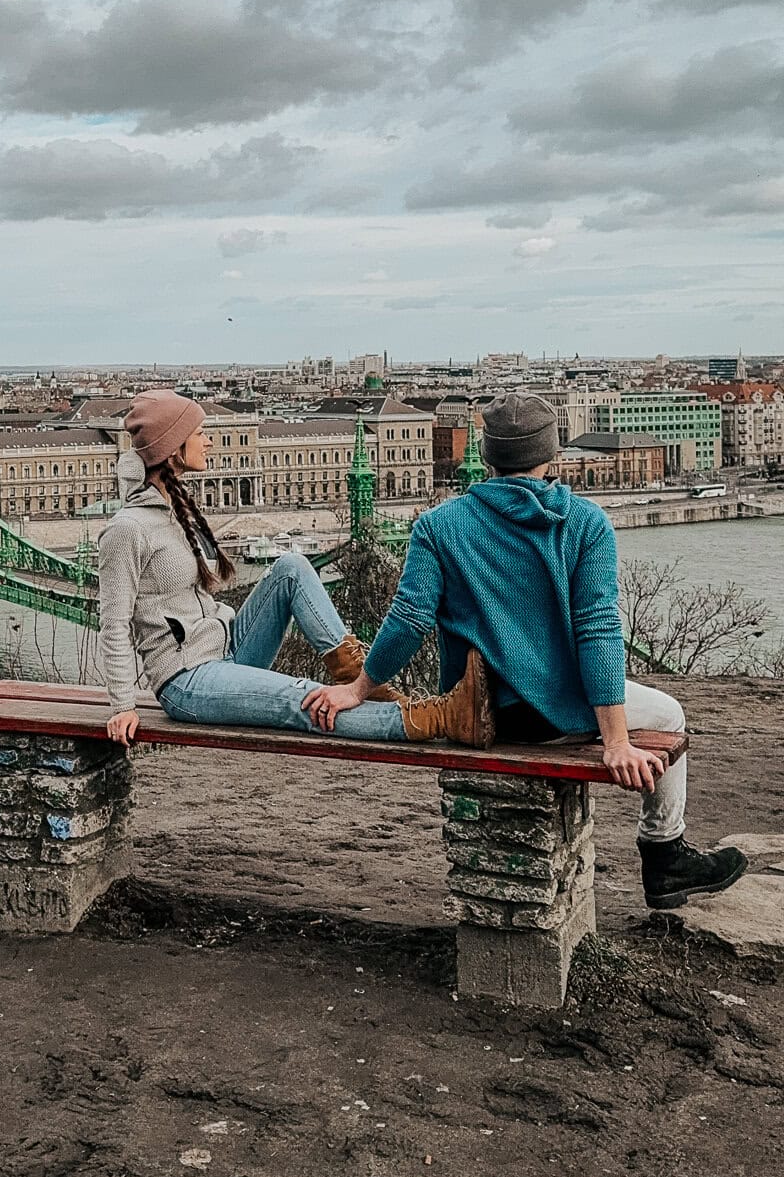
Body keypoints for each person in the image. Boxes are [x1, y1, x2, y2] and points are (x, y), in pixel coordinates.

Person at [302, 391, 748, 912]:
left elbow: (408, 620)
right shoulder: (584, 523)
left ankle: (666, 857)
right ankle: (664, 855)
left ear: (487, 455)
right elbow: (598, 631)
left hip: (480, 712)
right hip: (554, 715)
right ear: (552, 454)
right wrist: (617, 741)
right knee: (670, 714)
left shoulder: (438, 526)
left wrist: (359, 687)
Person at [98, 389, 494, 752]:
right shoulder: (127, 529)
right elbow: (113, 624)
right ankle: (441, 717)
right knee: (304, 698)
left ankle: (360, 678)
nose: (210, 441)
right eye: (200, 433)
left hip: (228, 647)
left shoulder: (174, 508)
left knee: (291, 567)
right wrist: (122, 705)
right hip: (188, 680)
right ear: (172, 448)